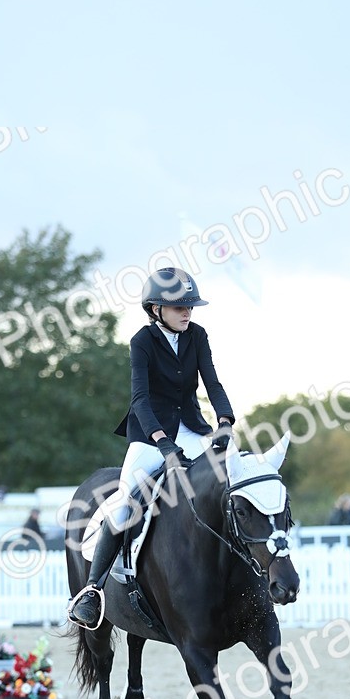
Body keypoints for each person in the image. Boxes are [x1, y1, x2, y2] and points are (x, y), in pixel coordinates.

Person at [68, 267, 235, 629]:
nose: (188, 312)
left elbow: (212, 381)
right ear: (156, 308)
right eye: (180, 307)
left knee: (225, 484)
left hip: (191, 429)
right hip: (149, 435)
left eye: (191, 306)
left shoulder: (198, 335)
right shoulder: (141, 341)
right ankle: (94, 591)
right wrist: (163, 444)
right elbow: (141, 400)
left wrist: (225, 422)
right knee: (125, 505)